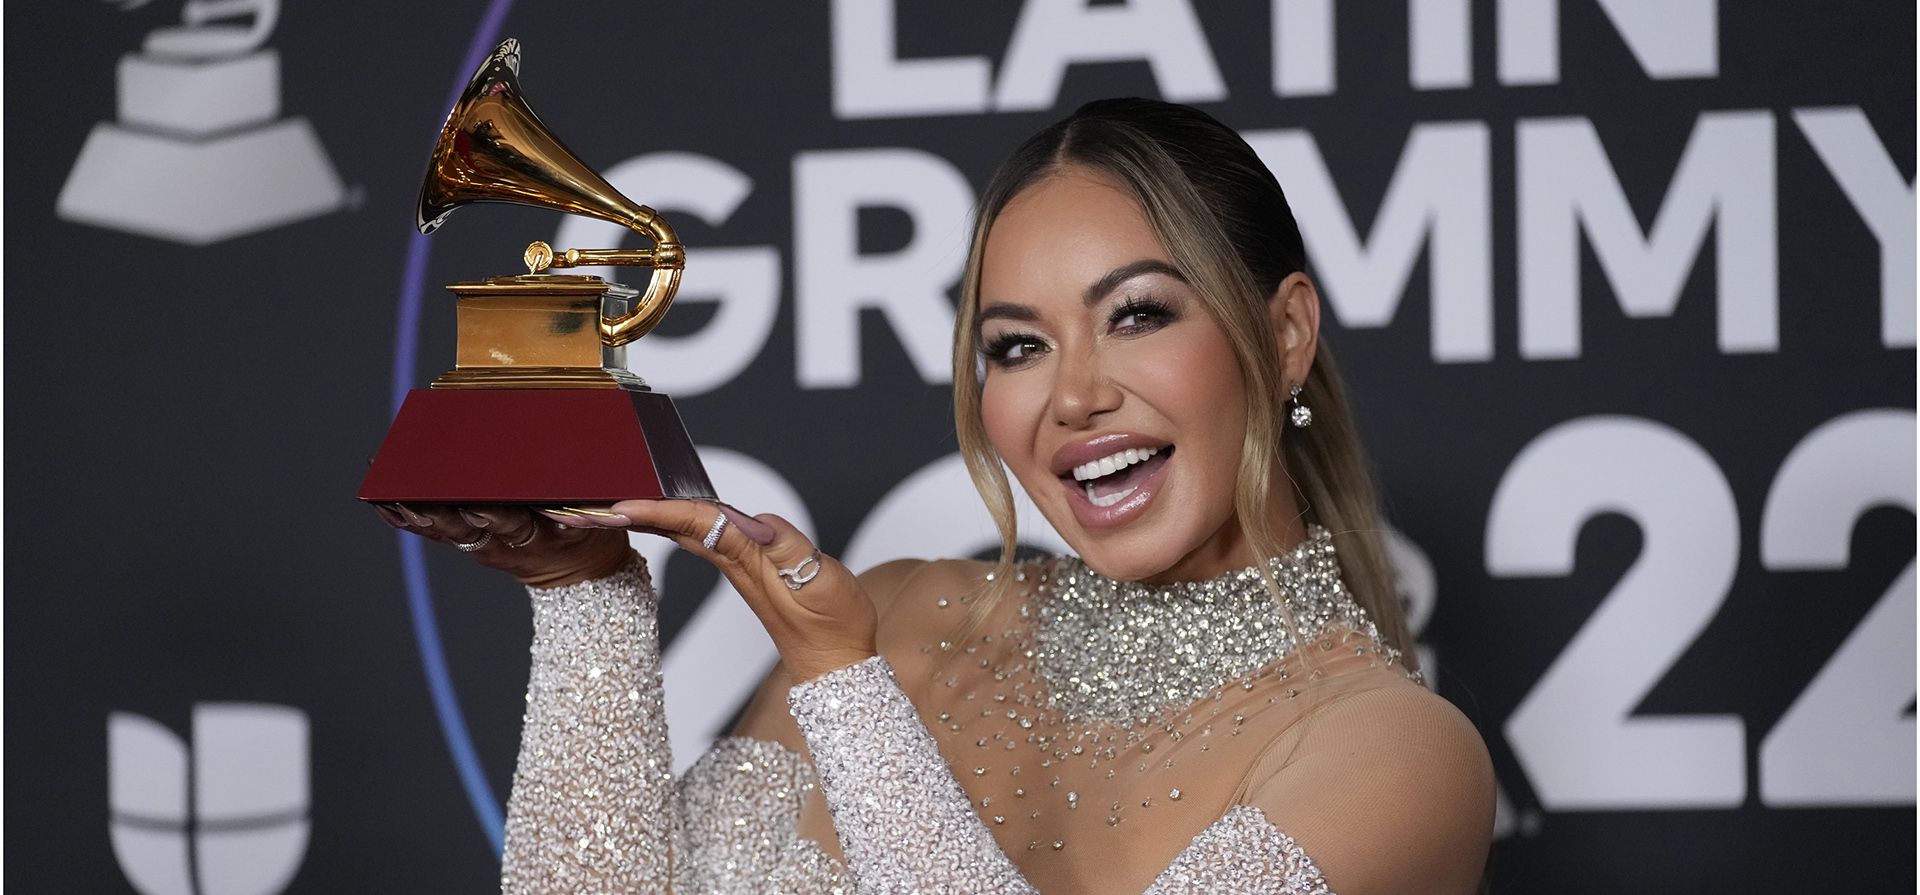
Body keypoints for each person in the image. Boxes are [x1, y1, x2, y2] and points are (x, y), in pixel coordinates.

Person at [376, 98, 1495, 894]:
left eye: (1138, 314)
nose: (1075, 396)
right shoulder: (907, 615)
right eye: (1017, 346)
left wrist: (843, 684)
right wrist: (588, 599)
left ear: (1285, 332)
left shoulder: (1398, 755)